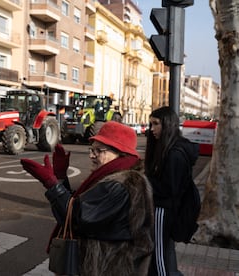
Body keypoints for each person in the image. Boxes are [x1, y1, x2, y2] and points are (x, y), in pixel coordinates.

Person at [21, 121, 154, 275]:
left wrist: (52, 184)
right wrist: (61, 178)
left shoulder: (119, 184)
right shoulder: (117, 176)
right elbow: (81, 206)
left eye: (99, 150)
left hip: (107, 267)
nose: (92, 155)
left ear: (120, 153)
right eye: (92, 149)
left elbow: (78, 217)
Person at [144, 106, 199, 276]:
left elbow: (168, 189)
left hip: (163, 209)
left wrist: (144, 180)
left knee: (158, 256)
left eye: (156, 124)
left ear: (167, 124)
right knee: (165, 251)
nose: (152, 129)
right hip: (166, 208)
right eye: (151, 124)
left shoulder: (174, 154)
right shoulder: (170, 148)